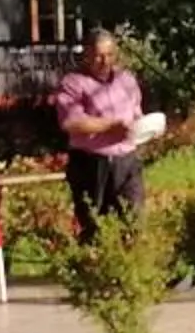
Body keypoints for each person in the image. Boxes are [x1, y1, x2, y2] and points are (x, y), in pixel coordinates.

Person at [54, 29, 147, 242]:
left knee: (134, 221)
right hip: (91, 163)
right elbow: (71, 122)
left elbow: (136, 115)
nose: (105, 61)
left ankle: (131, 269)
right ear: (86, 55)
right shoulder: (73, 83)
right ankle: (93, 268)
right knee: (94, 224)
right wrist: (109, 126)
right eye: (98, 55)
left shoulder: (126, 81)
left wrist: (146, 128)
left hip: (127, 160)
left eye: (110, 54)